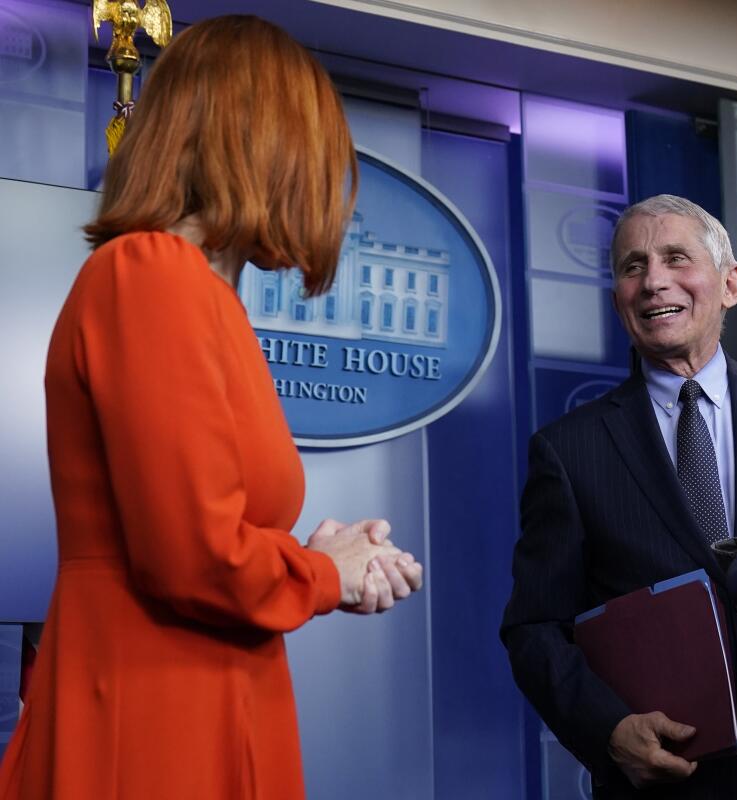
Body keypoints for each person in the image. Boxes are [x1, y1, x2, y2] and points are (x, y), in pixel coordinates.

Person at [0, 16, 423, 799]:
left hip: (205, 692)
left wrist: (315, 556)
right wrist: (324, 573)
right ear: (263, 141)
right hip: (152, 706)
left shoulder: (201, 294)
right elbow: (190, 555)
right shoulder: (150, 272)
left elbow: (207, 532)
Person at [501, 194, 737, 798]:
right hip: (672, 773)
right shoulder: (568, 450)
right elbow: (535, 627)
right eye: (632, 267)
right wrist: (610, 730)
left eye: (676, 258)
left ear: (730, 284)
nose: (653, 282)